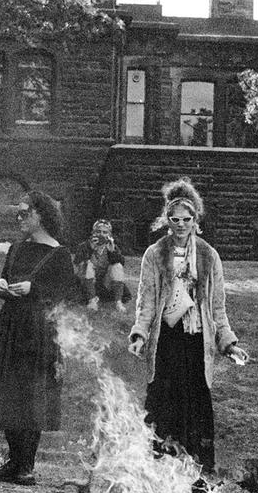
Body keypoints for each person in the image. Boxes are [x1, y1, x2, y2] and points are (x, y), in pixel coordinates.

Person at [128, 179, 246, 474]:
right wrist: (140, 334)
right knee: (162, 404)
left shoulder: (208, 255)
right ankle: (157, 471)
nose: (181, 225)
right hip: (167, 340)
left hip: (196, 343)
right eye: (175, 219)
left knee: (196, 406)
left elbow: (217, 307)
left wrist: (228, 343)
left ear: (196, 220)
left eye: (187, 219)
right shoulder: (155, 254)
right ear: (167, 220)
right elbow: (147, 302)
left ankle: (198, 476)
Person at [0, 190, 80, 485]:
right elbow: (6, 277)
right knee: (7, 389)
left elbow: (65, 297)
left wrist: (32, 290)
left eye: (25, 213)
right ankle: (13, 459)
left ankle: (27, 464)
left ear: (42, 215)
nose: (19, 219)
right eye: (17, 214)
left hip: (39, 329)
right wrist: (2, 286)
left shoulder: (59, 254)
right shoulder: (16, 249)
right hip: (11, 323)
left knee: (31, 394)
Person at [72, 219, 131, 311]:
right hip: (88, 282)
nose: (101, 235)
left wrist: (112, 252)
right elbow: (77, 262)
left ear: (109, 235)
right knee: (88, 264)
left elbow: (121, 263)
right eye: (98, 231)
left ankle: (118, 302)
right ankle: (92, 300)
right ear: (93, 233)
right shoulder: (85, 245)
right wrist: (90, 248)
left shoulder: (112, 247)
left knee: (117, 266)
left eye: (105, 232)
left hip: (105, 283)